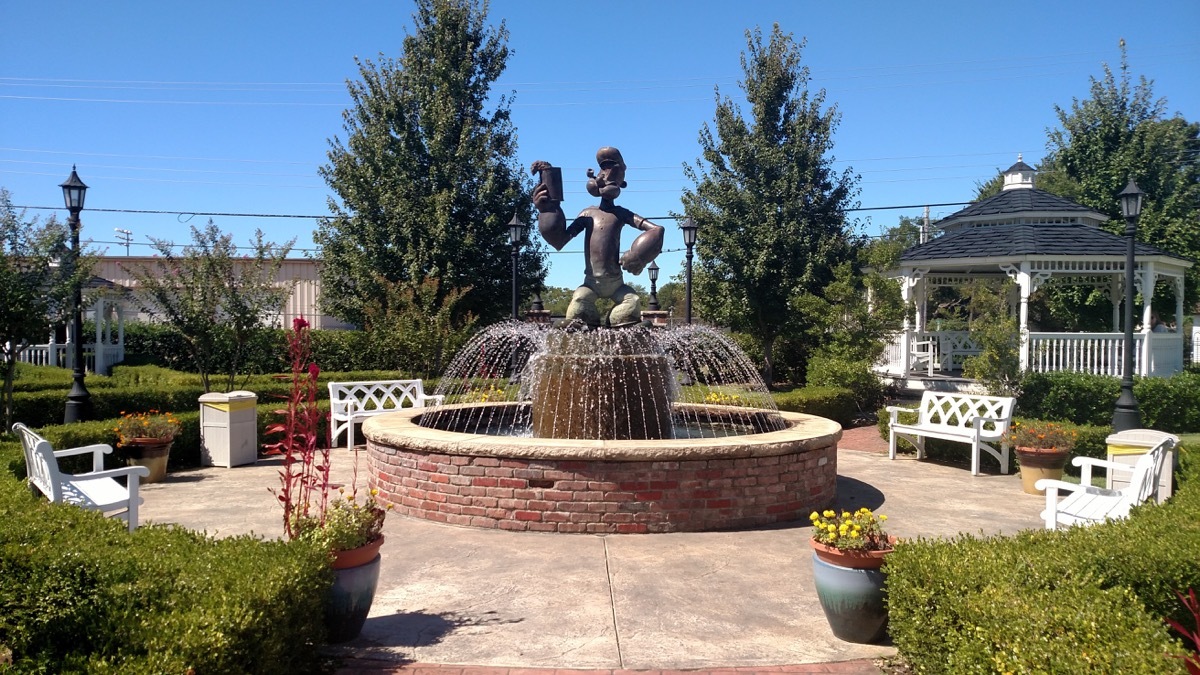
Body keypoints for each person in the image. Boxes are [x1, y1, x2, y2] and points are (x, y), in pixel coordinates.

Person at [531, 148, 664, 327]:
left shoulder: (622, 214)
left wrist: (638, 255)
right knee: (578, 304)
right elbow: (559, 240)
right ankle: (587, 327)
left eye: (612, 170)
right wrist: (548, 211)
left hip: (617, 284)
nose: (605, 176)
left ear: (622, 184)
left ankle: (616, 325)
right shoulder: (587, 214)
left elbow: (657, 230)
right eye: (603, 170)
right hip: (591, 284)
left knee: (631, 303)